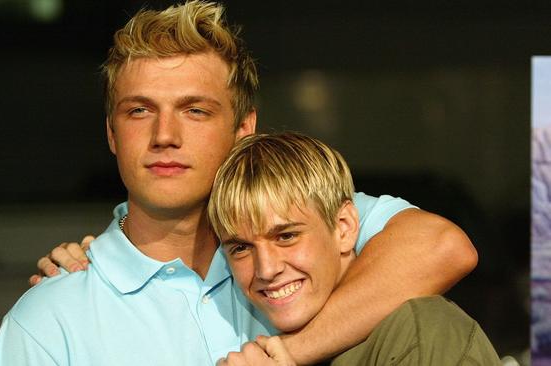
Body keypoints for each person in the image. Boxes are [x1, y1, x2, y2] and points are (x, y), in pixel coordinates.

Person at [0, 1, 478, 365]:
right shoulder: (49, 319)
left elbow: (442, 247)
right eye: (139, 110)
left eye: (194, 110)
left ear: (244, 129)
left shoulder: (304, 230)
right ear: (112, 133)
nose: (164, 136)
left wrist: (287, 353)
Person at [207, 132, 500, 365]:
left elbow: (447, 246)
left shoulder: (417, 332)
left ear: (344, 228)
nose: (267, 269)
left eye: (286, 237)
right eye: (242, 247)